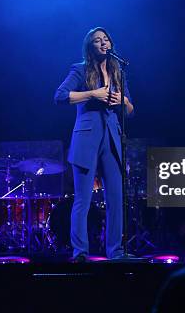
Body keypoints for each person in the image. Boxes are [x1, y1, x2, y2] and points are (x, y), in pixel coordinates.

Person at [54, 27, 134, 262]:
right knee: (83, 199)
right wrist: (93, 94)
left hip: (111, 138)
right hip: (86, 138)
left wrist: (123, 100)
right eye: (97, 40)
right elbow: (59, 96)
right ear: (90, 46)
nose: (103, 43)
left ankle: (116, 252)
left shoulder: (118, 72)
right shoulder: (79, 69)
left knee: (116, 199)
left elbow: (130, 110)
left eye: (106, 39)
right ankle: (80, 253)